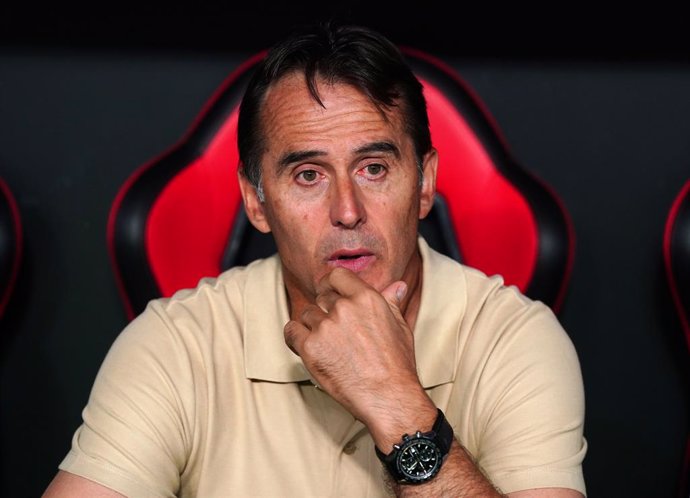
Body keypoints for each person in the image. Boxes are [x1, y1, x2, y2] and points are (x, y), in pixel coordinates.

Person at [43, 22, 587, 497]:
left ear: (424, 184)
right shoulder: (175, 344)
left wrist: (396, 405)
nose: (347, 210)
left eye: (374, 168)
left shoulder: (515, 339)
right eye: (308, 175)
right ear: (256, 200)